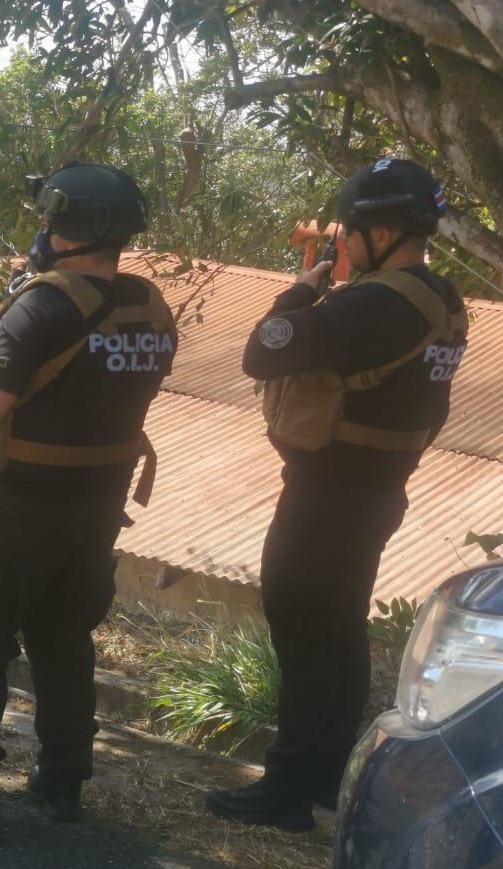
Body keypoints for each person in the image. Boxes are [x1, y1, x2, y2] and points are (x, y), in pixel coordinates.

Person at [0, 162, 177, 845]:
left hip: (22, 508)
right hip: (98, 509)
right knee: (62, 639)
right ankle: (63, 781)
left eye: (48, 217)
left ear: (63, 223)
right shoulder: (148, 306)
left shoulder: (45, 304)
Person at [206, 158, 468, 831]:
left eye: (348, 232)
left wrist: (297, 293)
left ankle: (286, 789)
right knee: (339, 629)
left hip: (328, 492)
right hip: (378, 489)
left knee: (301, 627)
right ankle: (326, 778)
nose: (342, 245)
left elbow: (263, 353)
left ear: (380, 231)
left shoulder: (377, 302)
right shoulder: (442, 299)